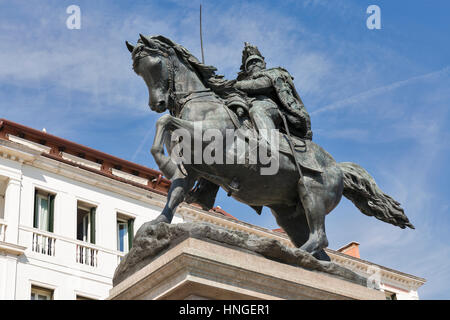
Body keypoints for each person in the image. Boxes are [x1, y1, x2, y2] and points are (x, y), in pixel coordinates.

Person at [234, 42, 312, 143]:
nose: (253, 64)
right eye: (249, 63)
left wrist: (234, 85)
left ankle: (269, 144)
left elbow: (261, 84)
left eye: (257, 61)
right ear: (246, 70)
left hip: (273, 108)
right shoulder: (243, 81)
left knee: (258, 109)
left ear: (264, 64)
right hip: (246, 105)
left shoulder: (273, 73)